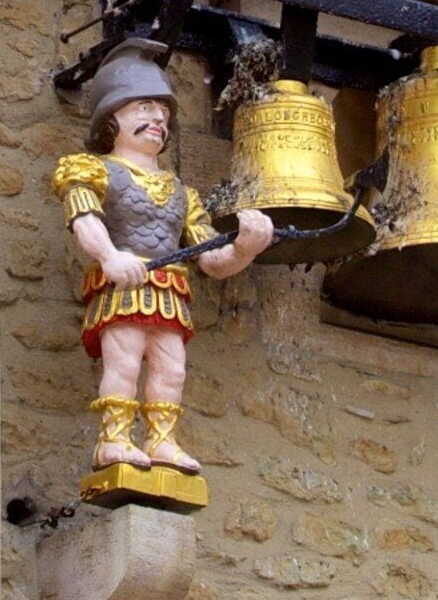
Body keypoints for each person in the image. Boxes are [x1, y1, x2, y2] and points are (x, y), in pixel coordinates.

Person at [51, 46, 276, 474]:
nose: (157, 119)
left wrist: (245, 248)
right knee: (124, 359)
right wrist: (110, 256)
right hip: (123, 284)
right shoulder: (93, 170)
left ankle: (162, 441)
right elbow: (84, 217)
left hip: (169, 291)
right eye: (144, 107)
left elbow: (211, 259)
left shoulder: (181, 193)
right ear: (111, 118)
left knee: (171, 370)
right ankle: (114, 440)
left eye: (164, 114)